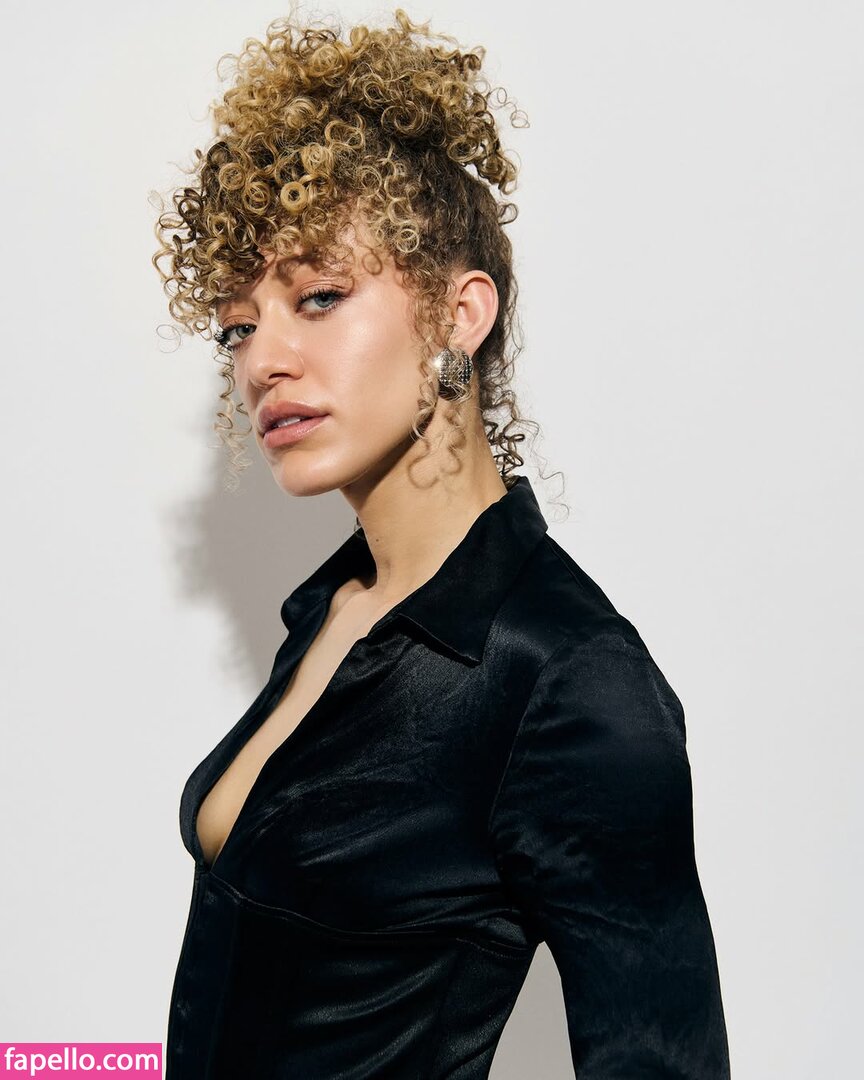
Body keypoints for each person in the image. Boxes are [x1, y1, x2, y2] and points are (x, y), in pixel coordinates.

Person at [152, 6, 731, 1077]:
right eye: (240, 324)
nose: (262, 360)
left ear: (460, 314)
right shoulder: (332, 609)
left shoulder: (567, 679)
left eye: (319, 296)